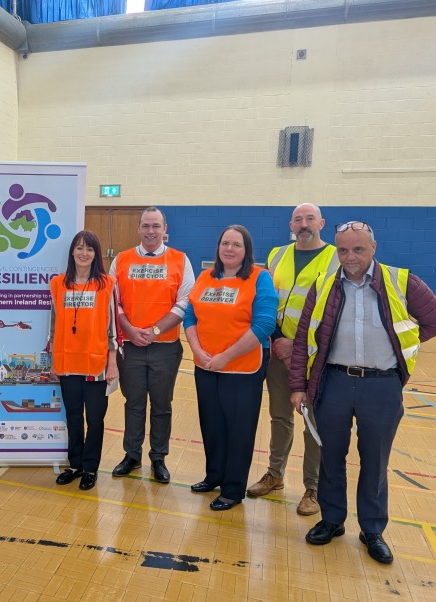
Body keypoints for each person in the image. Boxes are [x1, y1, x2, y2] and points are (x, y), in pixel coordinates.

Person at [289, 221, 436, 564]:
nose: (350, 257)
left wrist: (402, 350)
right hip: (334, 382)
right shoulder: (324, 286)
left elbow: (431, 320)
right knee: (331, 457)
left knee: (375, 460)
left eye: (358, 249)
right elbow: (301, 341)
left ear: (374, 248)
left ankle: (372, 529)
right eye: (343, 250)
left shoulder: (402, 282)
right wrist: (298, 386)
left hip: (382, 386)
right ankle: (332, 519)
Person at [247, 204, 339, 516]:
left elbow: (331, 311)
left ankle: (313, 488)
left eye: (310, 218)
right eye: (298, 219)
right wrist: (276, 338)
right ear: (291, 224)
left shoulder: (335, 257)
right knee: (280, 417)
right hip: (277, 349)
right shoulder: (276, 255)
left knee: (313, 422)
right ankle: (275, 474)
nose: (303, 224)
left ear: (322, 223)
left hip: (314, 355)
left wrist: (296, 345)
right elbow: (266, 300)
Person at [184, 225, 278, 511]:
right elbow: (190, 316)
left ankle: (233, 489)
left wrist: (226, 356)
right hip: (206, 366)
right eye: (225, 243)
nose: (229, 249)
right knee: (211, 425)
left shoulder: (260, 279)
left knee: (238, 430)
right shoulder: (205, 277)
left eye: (236, 245)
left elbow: (264, 325)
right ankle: (214, 476)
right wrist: (198, 351)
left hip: (242, 369)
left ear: (246, 250)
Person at [110, 207, 194, 483]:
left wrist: (155, 331)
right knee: (133, 403)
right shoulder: (121, 260)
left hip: (165, 347)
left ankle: (158, 457)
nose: (150, 231)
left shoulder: (181, 260)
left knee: (161, 405)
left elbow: (185, 302)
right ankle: (132, 455)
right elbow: (114, 301)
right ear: (138, 228)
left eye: (156, 226)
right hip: (131, 345)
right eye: (145, 226)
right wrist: (130, 330)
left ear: (165, 228)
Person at [49, 231, 118, 491]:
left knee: (95, 419)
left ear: (95, 254)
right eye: (79, 248)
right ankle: (75, 464)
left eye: (89, 249)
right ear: (72, 252)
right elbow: (53, 326)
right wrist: (53, 360)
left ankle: (90, 467)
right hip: (67, 363)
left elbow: (113, 327)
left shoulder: (106, 284)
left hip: (96, 364)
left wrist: (112, 361)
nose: (84, 253)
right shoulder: (58, 284)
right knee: (74, 416)